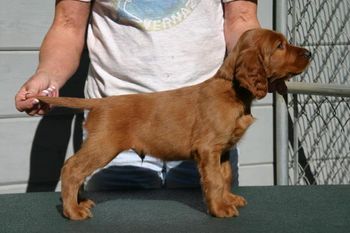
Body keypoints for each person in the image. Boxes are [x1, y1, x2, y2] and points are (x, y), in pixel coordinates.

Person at [15, 0, 260, 191]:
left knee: (214, 219)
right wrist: (48, 74)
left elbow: (242, 19)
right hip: (123, 119)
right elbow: (68, 25)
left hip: (206, 119)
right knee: (121, 221)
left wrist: (261, 65)